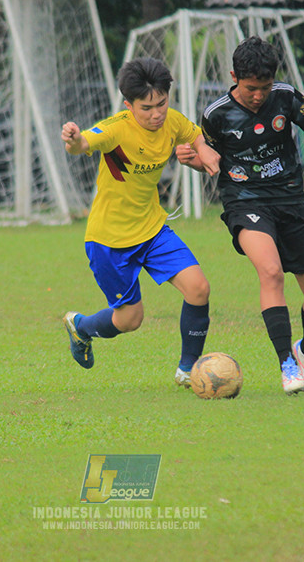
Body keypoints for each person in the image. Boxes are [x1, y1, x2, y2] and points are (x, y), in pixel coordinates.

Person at [176, 36, 304, 394]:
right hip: (245, 203)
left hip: (292, 202)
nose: (258, 95)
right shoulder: (216, 115)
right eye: (250, 89)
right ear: (234, 76)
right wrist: (194, 160)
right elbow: (209, 161)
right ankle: (286, 365)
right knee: (271, 271)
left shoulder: (286, 96)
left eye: (263, 87)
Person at [61, 57, 221, 387]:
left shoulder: (172, 122)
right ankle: (82, 326)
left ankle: (187, 369)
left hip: (152, 230)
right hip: (109, 240)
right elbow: (83, 144)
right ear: (128, 105)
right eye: (146, 107)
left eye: (161, 103)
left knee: (199, 288)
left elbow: (195, 135)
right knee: (130, 319)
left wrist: (204, 153)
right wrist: (74, 138)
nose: (156, 113)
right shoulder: (117, 128)